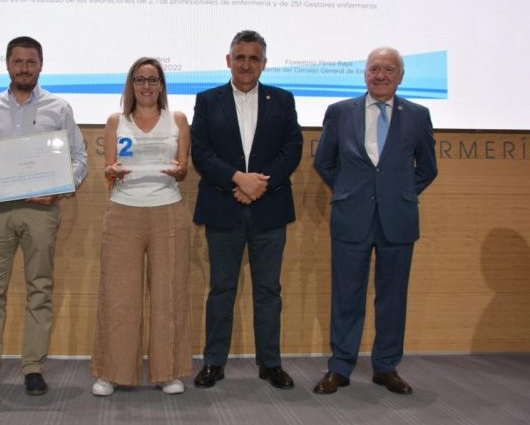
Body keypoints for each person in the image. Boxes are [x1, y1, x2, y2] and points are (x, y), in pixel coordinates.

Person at [0, 36, 88, 396]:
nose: (24, 68)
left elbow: (80, 159)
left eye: (31, 62)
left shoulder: (58, 108)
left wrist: (59, 187)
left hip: (41, 210)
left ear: (41, 65)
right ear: (7, 64)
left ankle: (33, 367)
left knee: (39, 289)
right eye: (18, 61)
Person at [312, 47, 438, 395]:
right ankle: (340, 367)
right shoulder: (340, 112)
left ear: (400, 76)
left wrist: (399, 193)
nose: (380, 75)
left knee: (393, 297)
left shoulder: (417, 115)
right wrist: (350, 191)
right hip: (352, 217)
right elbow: (324, 162)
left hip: (398, 219)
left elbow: (428, 168)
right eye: (374, 69)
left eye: (388, 69)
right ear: (364, 74)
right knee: (347, 295)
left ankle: (386, 367)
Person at [191, 30, 303, 389]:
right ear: (228, 61)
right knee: (221, 289)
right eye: (240, 57)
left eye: (254, 58)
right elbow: (201, 152)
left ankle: (270, 363)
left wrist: (259, 185)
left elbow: (292, 149)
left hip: (269, 209)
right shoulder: (208, 100)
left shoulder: (282, 100)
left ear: (264, 64)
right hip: (224, 208)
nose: (246, 64)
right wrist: (238, 179)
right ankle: (214, 362)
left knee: (268, 290)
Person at [90, 57, 193, 396]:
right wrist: (111, 171)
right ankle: (111, 372)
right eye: (139, 80)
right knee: (119, 296)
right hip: (124, 212)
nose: (146, 86)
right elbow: (108, 168)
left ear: (162, 84)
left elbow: (184, 168)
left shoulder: (177, 119)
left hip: (169, 212)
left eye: (152, 79)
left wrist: (179, 171)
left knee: (170, 294)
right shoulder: (115, 121)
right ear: (131, 85)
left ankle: (170, 372)